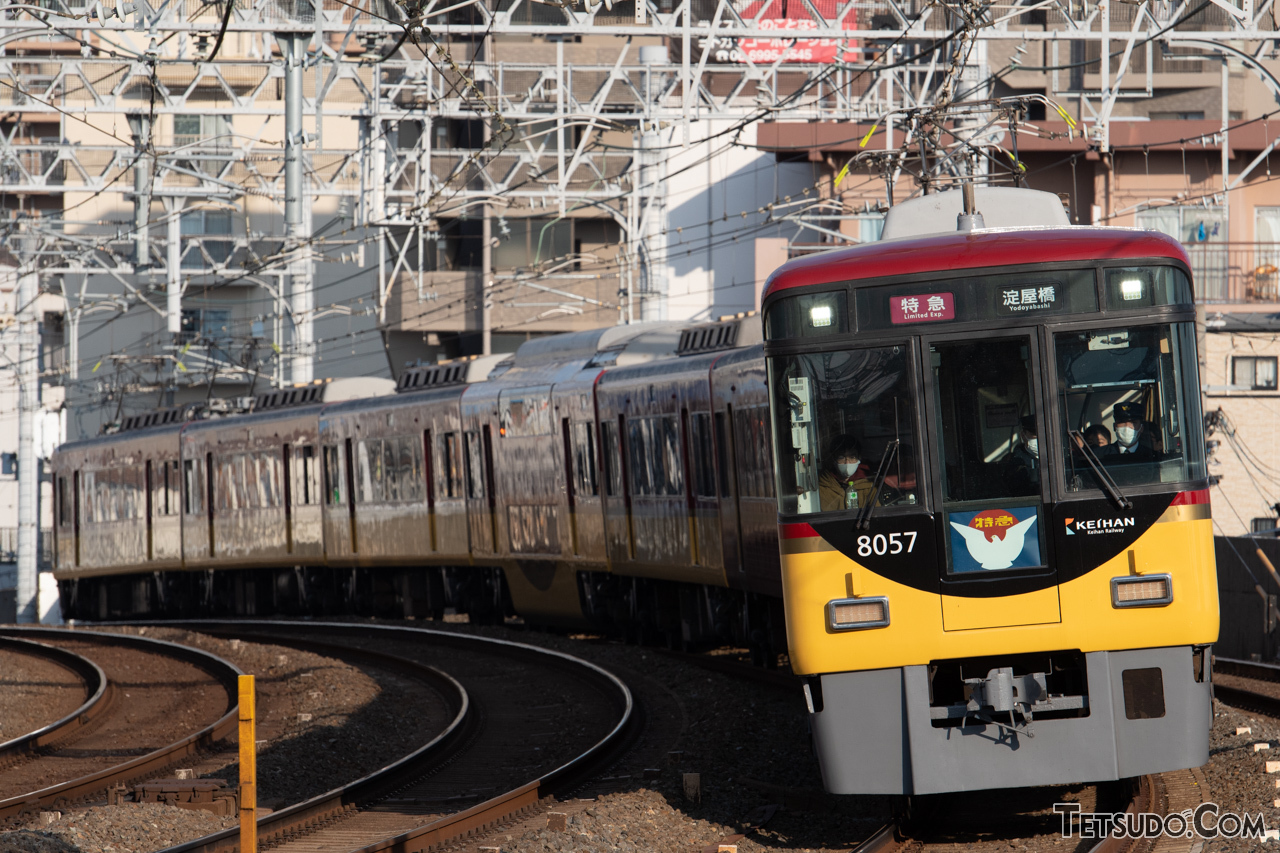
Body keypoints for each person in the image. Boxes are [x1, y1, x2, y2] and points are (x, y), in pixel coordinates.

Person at [818, 435, 876, 511]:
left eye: (852, 457)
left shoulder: (869, 486)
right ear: (834, 459)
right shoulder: (822, 487)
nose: (847, 462)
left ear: (859, 458)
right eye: (841, 457)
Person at [1002, 415, 1041, 495]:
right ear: (1023, 435)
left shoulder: (1059, 457)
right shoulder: (1015, 463)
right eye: (1034, 434)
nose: (1040, 438)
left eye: (1043, 434)